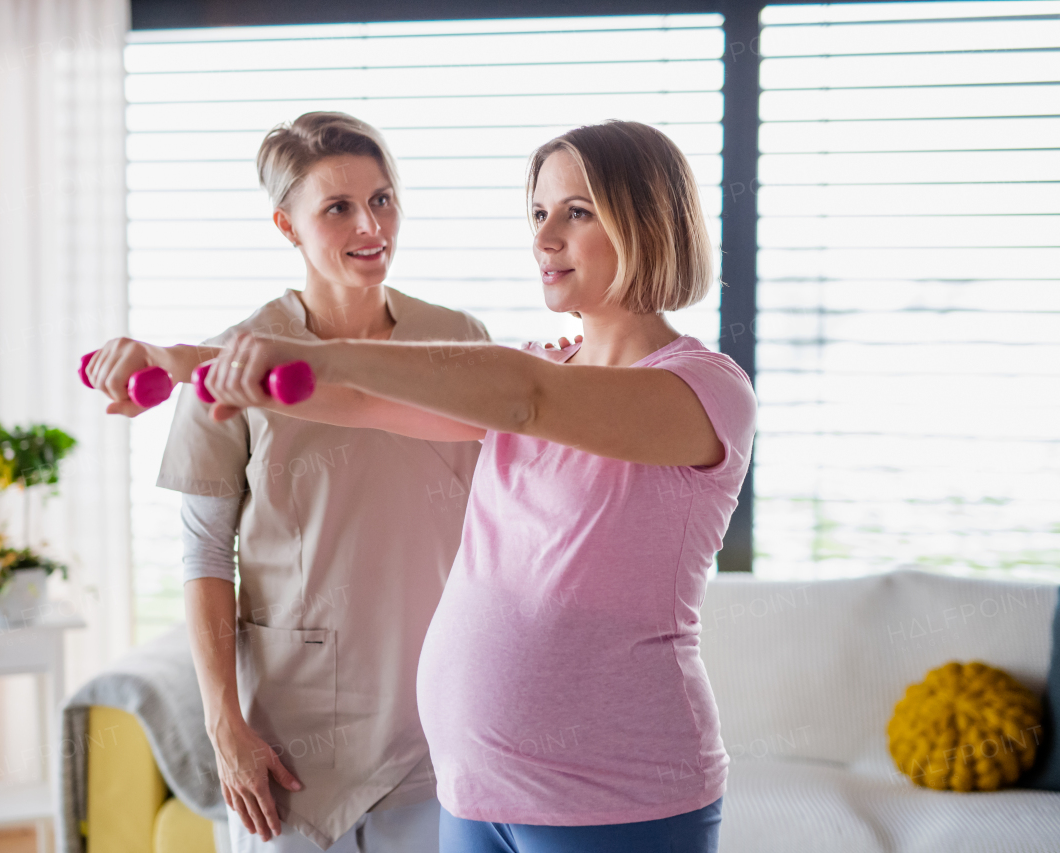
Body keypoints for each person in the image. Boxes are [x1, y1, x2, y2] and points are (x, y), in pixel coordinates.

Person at [199, 120, 756, 853]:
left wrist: (320, 353)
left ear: (648, 222)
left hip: (615, 794)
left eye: (576, 211)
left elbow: (531, 399)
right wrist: (183, 363)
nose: (544, 236)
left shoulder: (702, 388)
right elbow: (366, 405)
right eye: (538, 213)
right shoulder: (540, 366)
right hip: (473, 787)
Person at [85, 112, 494, 852]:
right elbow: (206, 556)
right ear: (287, 225)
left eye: (382, 198)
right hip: (292, 737)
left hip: (438, 721)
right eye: (337, 207)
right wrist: (225, 726)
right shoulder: (231, 366)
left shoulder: (460, 341)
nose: (370, 224)